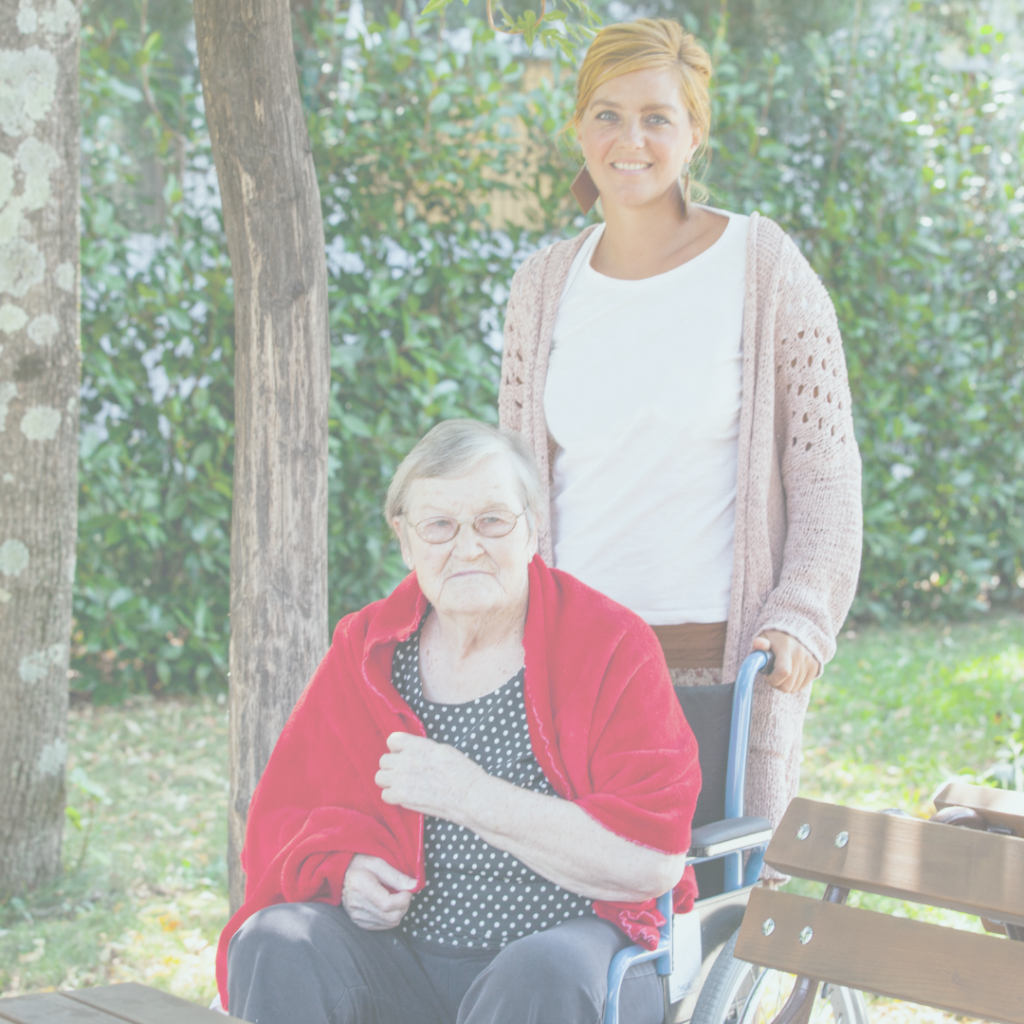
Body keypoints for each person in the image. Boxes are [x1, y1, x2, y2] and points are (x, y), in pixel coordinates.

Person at [499, 18, 862, 843]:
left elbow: (827, 474)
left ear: (695, 132)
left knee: (718, 920)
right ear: (577, 127)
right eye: (607, 113)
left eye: (657, 117)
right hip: (574, 672)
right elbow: (516, 488)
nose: (631, 139)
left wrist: (803, 613)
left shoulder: (764, 269)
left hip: (720, 676)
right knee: (581, 930)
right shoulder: (541, 288)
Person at [216, 419, 701, 1024]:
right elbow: (282, 817)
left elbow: (651, 860)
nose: (467, 546)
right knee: (277, 940)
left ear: (531, 529)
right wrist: (341, 873)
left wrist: (471, 796)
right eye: (439, 525)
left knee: (538, 975)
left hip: (565, 956)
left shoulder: (609, 645)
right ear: (405, 539)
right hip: (403, 960)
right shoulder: (367, 649)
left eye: (492, 520)